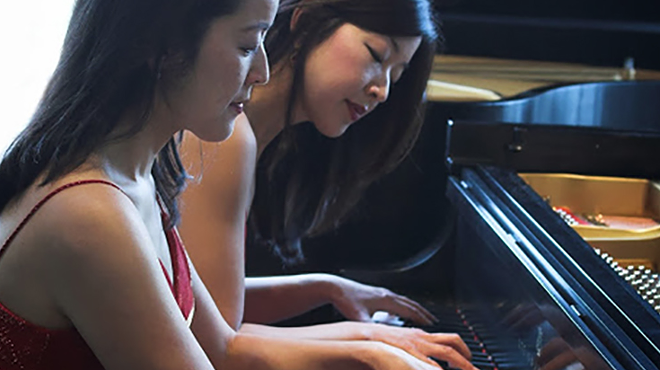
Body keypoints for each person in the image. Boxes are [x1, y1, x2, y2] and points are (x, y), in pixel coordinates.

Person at [0, 0, 471, 369]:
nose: (263, 70)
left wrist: (371, 350)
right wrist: (367, 347)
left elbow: (222, 348)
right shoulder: (89, 213)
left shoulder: (142, 175)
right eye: (248, 44)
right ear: (162, 44)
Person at [178, 1, 476, 369]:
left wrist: (324, 288)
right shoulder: (227, 137)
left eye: (395, 76)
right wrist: (368, 340)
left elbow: (201, 302)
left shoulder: (246, 133)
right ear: (305, 26)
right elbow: (212, 344)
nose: (382, 90)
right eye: (376, 55)